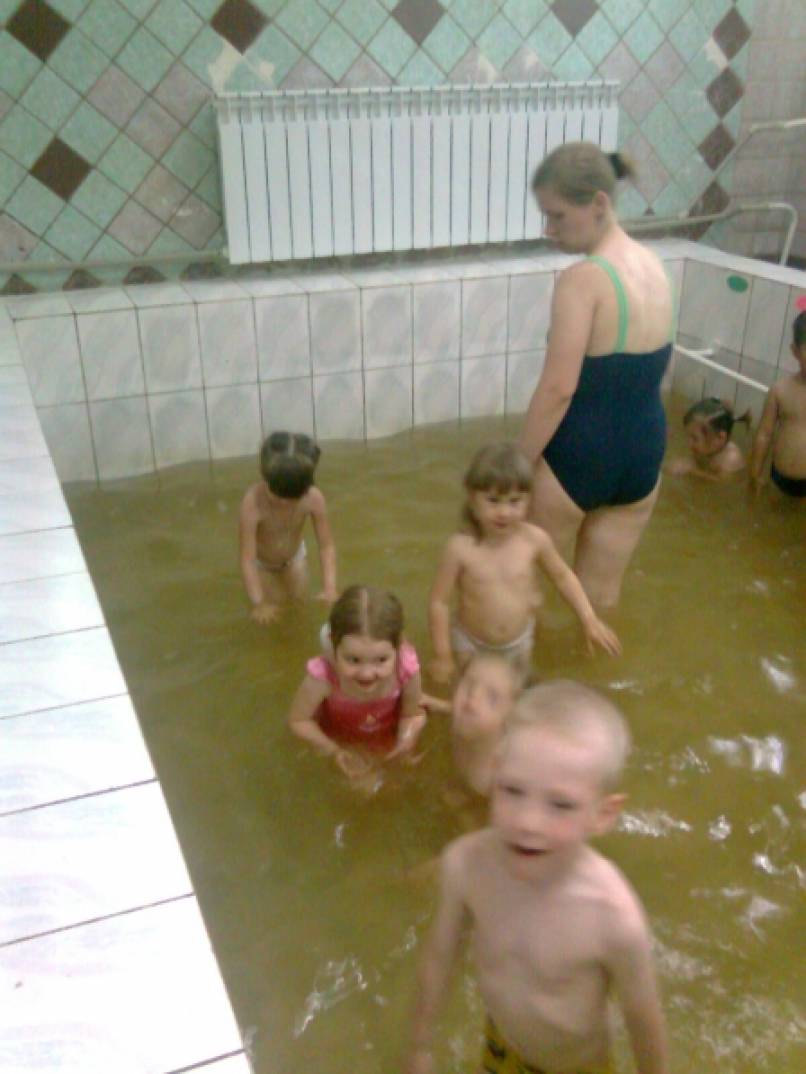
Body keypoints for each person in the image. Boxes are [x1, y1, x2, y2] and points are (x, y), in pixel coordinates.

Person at [404, 680, 668, 1074]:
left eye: (560, 805)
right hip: (501, 1047)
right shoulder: (466, 865)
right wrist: (419, 1046)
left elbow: (642, 1017)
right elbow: (440, 957)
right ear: (494, 774)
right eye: (513, 790)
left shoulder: (612, 916)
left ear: (602, 815)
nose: (528, 822)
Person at [519, 143, 674, 608]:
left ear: (599, 204)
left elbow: (558, 389)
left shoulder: (582, 280)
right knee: (600, 601)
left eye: (557, 216)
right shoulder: (655, 267)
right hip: (644, 454)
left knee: (521, 591)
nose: (548, 229)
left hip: (580, 453)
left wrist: (517, 464)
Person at [428, 442, 621, 685]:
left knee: (521, 694)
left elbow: (562, 576)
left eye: (514, 501)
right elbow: (439, 602)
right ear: (472, 499)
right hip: (471, 644)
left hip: (518, 643)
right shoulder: (460, 549)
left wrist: (589, 618)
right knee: (470, 694)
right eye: (493, 500)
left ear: (529, 500)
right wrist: (443, 655)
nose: (504, 512)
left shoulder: (534, 540)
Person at [287, 585, 427, 787]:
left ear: (398, 647)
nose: (366, 674)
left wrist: (405, 742)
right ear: (333, 645)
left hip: (387, 734)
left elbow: (412, 715)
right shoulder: (323, 677)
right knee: (362, 788)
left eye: (381, 660)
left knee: (407, 781)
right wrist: (333, 750)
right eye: (353, 660)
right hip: (339, 739)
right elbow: (298, 720)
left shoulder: (405, 668)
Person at [239, 431, 338, 623]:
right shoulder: (252, 503)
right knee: (273, 611)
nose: (285, 503)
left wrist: (330, 588)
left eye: (294, 498)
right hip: (263, 565)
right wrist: (259, 603)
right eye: (278, 496)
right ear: (265, 478)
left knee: (300, 608)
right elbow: (247, 560)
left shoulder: (313, 498)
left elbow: (326, 546)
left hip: (295, 559)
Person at [749, 311, 806, 498]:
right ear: (795, 351)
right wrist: (755, 473)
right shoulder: (780, 390)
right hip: (778, 478)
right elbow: (764, 434)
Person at [666, 397, 749, 480]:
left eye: (695, 438)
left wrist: (690, 471)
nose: (689, 443)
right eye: (688, 436)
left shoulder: (729, 458)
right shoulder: (709, 448)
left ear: (720, 438)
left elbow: (720, 481)